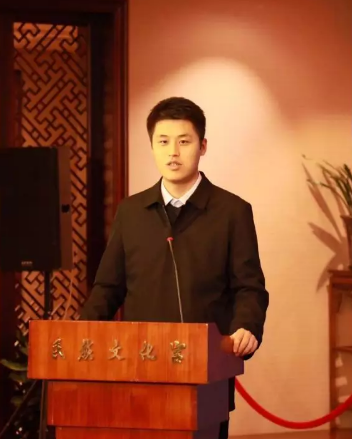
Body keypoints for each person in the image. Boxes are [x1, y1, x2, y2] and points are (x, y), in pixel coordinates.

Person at [79, 96, 269, 439]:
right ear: (152, 146)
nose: (173, 153)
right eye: (163, 142)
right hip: (139, 365)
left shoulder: (232, 212)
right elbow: (108, 287)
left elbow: (249, 287)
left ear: (203, 146)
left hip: (205, 369)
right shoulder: (131, 212)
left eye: (184, 142)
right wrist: (81, 334)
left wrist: (246, 326)